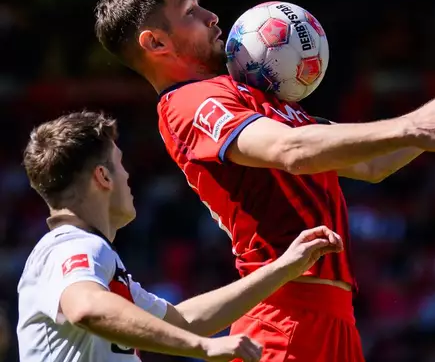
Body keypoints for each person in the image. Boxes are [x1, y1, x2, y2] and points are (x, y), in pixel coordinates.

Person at [94, 0, 435, 360]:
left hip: (333, 320)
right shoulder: (188, 102)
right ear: (155, 43)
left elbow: (374, 162)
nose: (212, 16)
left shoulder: (252, 95)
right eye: (191, 11)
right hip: (283, 318)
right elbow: (291, 150)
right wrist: (414, 126)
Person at [16, 111, 343, 362]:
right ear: (102, 176)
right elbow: (86, 306)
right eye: (119, 164)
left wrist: (283, 268)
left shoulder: (88, 253)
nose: (128, 175)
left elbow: (183, 320)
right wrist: (202, 347)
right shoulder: (72, 246)